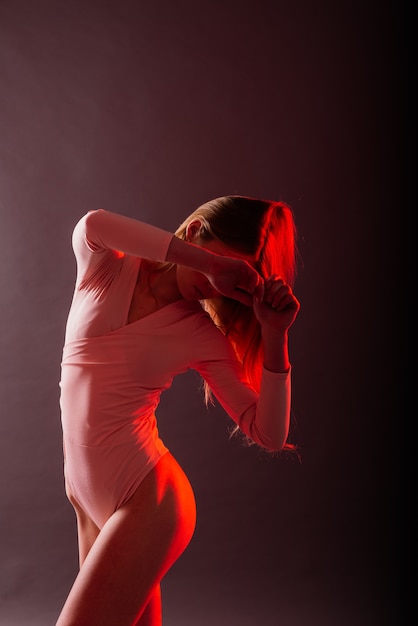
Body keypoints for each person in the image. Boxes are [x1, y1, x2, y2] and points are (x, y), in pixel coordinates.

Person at [56, 195, 300, 626]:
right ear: (193, 233)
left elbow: (270, 434)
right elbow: (92, 223)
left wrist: (275, 335)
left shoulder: (199, 334)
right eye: (224, 267)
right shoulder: (107, 267)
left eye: (237, 281)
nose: (219, 287)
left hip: (148, 500)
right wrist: (207, 263)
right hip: (87, 497)